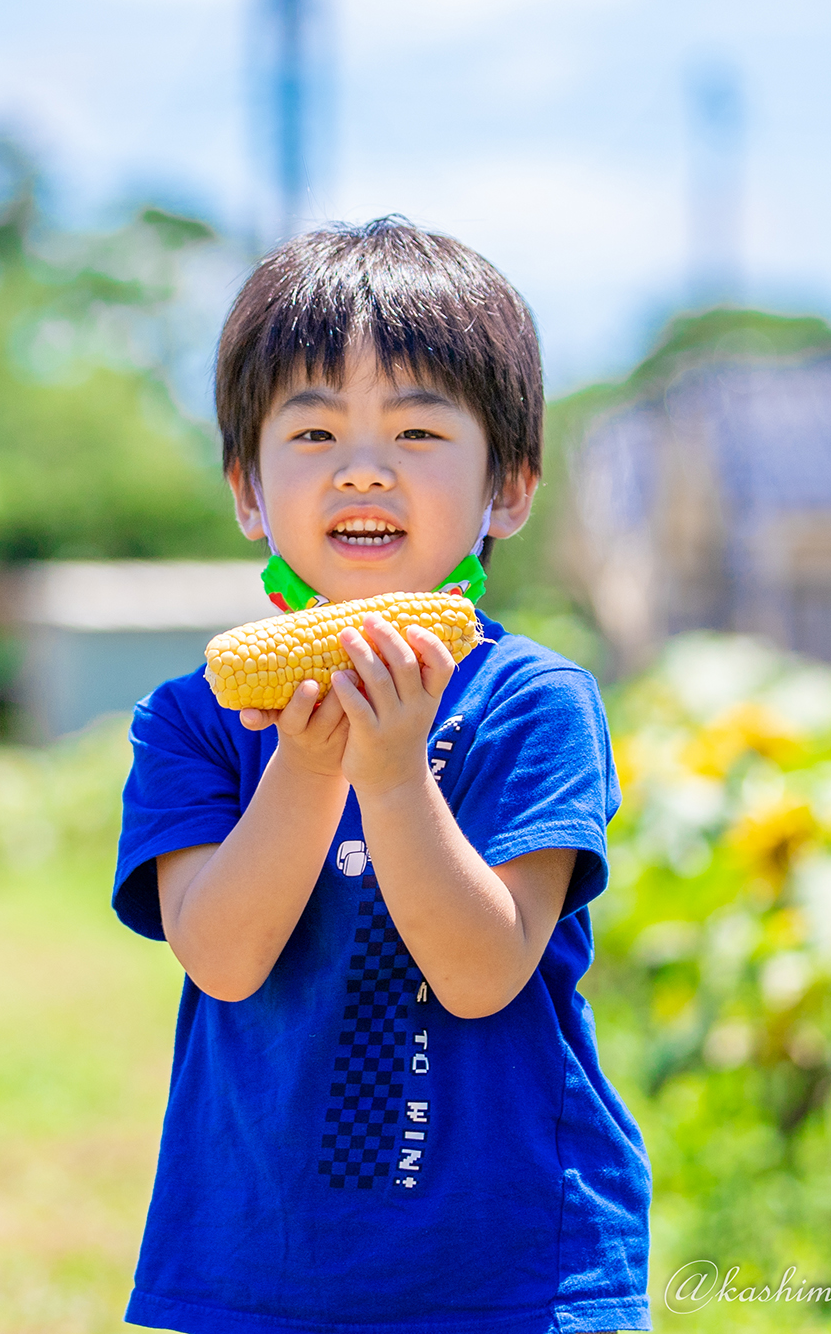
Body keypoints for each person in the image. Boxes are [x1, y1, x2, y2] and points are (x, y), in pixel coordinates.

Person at [113, 218, 651, 1334]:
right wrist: (309, 769)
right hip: (259, 1264)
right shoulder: (193, 720)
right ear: (248, 493)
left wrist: (396, 776)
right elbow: (220, 957)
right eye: (312, 433)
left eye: (416, 427)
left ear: (507, 489)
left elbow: (482, 971)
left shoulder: (534, 705)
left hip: (505, 1269)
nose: (364, 465)